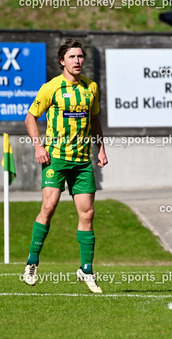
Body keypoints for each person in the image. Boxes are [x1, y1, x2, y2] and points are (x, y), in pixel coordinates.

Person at [23, 39, 108, 294]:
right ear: (62, 61)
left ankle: (86, 270)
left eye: (80, 56)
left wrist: (101, 148)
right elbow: (30, 117)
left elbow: (94, 118)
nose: (77, 61)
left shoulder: (91, 88)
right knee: (48, 208)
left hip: (82, 161)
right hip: (56, 159)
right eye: (72, 57)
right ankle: (32, 263)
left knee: (88, 214)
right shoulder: (51, 88)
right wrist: (38, 147)